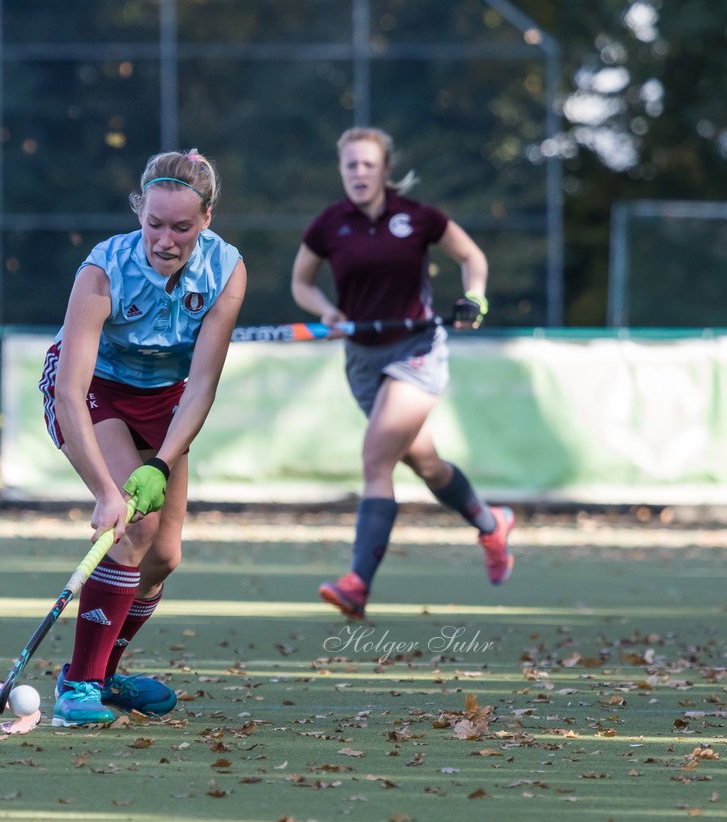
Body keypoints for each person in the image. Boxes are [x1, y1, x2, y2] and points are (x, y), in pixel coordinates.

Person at [40, 149, 247, 726]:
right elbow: (69, 389)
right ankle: (76, 687)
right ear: (140, 212)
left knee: (163, 557)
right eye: (154, 224)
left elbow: (201, 384)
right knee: (133, 527)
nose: (165, 240)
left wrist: (161, 462)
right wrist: (107, 491)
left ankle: (102, 673)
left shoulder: (226, 271)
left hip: (165, 400)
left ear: (206, 218)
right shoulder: (103, 270)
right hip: (93, 392)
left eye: (181, 227)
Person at [289, 127, 514, 620]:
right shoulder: (330, 225)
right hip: (363, 360)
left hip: (416, 350)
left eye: (369, 165)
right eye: (351, 165)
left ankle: (357, 584)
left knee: (375, 458)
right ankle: (490, 522)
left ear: (386, 170)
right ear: (342, 170)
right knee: (426, 463)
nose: (360, 173)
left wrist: (475, 296)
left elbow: (471, 257)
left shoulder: (418, 218)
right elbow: (301, 283)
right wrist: (327, 312)